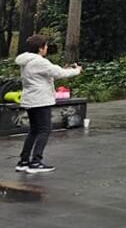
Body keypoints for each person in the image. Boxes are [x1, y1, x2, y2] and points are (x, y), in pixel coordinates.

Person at [15, 34, 81, 173]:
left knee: (34, 130)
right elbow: (59, 73)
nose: (46, 49)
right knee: (44, 130)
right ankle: (36, 162)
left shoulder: (26, 60)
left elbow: (50, 72)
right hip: (40, 100)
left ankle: (24, 161)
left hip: (30, 99)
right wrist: (76, 71)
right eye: (45, 46)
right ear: (40, 48)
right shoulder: (39, 61)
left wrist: (64, 69)